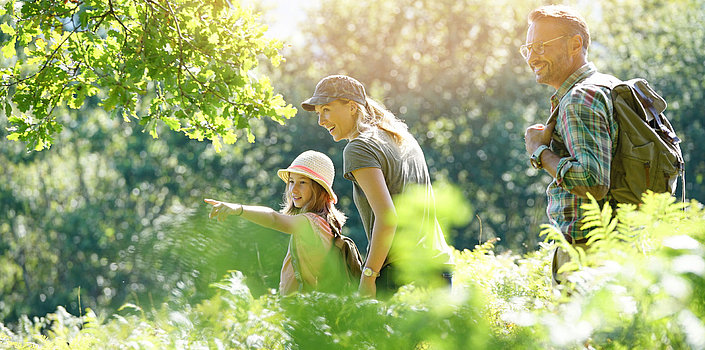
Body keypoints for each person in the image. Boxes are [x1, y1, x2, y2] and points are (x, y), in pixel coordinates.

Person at [301, 75, 454, 298]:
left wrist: (369, 275)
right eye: (318, 113)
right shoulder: (399, 137)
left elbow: (387, 216)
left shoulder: (359, 148)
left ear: (352, 107)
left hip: (401, 274)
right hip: (438, 267)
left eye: (326, 110)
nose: (321, 121)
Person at [521, 5, 617, 285]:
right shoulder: (606, 86)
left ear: (575, 44)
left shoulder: (579, 99)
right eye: (528, 48)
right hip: (613, 245)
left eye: (540, 46)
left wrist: (540, 152)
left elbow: (593, 181)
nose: (532, 57)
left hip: (586, 256)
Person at [205, 150, 348, 295]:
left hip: (301, 309)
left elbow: (273, 219)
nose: (293, 189)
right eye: (291, 181)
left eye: (302, 182)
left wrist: (238, 209)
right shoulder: (324, 223)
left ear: (320, 190)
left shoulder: (312, 223)